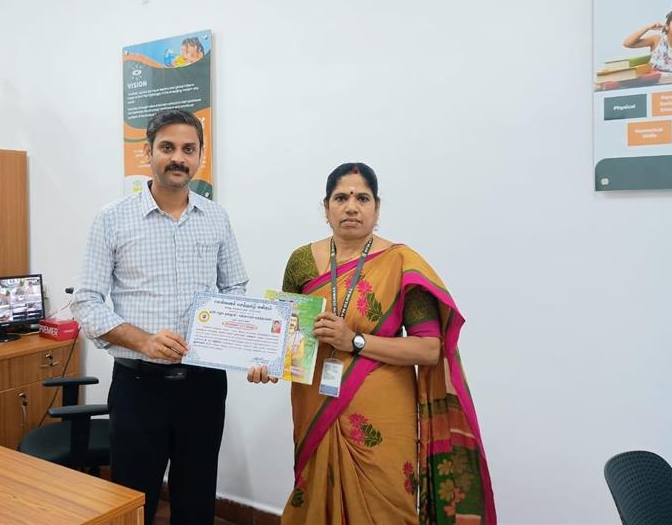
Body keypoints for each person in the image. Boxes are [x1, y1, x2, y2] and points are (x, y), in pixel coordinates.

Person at [248, 162, 495, 524]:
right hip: (315, 403)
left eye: (362, 198)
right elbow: (287, 336)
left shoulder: (400, 262)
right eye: (341, 197)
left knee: (387, 506)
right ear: (326, 207)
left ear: (377, 208)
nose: (351, 206)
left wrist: (355, 341)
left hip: (381, 409)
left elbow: (428, 349)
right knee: (315, 495)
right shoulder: (301, 261)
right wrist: (266, 365)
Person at [72, 108, 248, 525]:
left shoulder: (216, 218)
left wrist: (247, 346)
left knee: (196, 500)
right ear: (147, 152)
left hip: (204, 387)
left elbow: (236, 291)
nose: (178, 158)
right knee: (134, 501)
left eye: (189, 149)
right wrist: (143, 340)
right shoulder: (112, 219)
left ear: (200, 156)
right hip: (139, 387)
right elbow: (86, 302)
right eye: (167, 147)